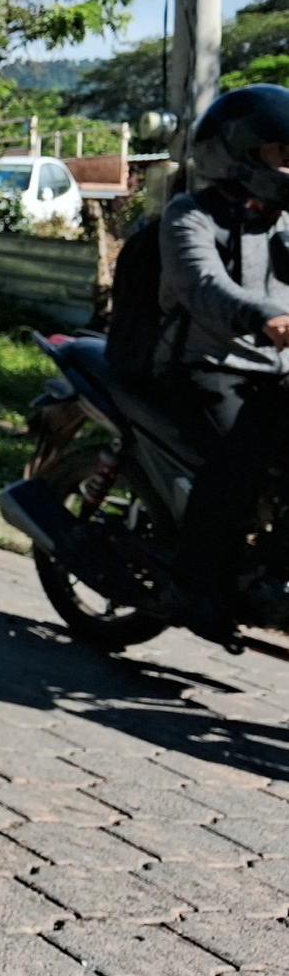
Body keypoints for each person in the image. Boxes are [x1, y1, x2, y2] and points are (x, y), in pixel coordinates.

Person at [153, 83, 289, 638]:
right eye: (282, 153)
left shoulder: (284, 222)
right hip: (205, 367)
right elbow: (204, 286)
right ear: (241, 154)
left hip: (275, 372)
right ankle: (189, 584)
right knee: (244, 458)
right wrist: (265, 317)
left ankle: (273, 575)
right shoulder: (189, 216)